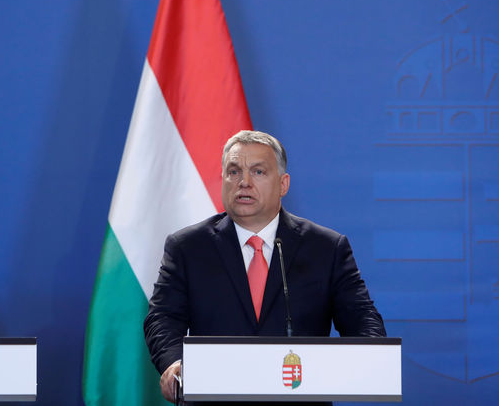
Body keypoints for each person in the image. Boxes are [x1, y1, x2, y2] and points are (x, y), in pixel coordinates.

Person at [143, 130, 385, 405]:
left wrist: (372, 354)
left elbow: (361, 317)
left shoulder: (326, 248)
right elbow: (163, 317)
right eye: (233, 172)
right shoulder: (188, 246)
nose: (243, 182)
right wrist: (174, 362)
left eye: (258, 172)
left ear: (283, 184)